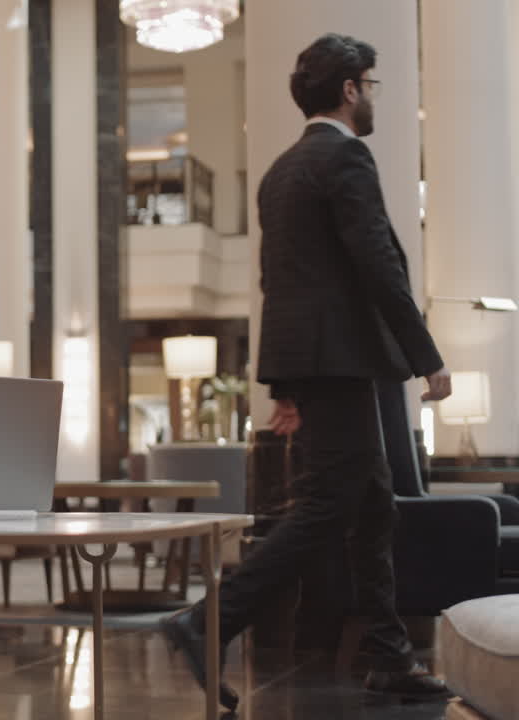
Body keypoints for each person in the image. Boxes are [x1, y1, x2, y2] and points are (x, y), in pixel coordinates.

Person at [161, 33, 452, 710]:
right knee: (328, 504)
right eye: (370, 85)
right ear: (350, 89)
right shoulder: (346, 157)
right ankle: (207, 622)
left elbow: (278, 282)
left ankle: (386, 652)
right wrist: (426, 356)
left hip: (319, 364)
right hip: (345, 361)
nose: (372, 98)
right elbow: (376, 263)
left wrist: (286, 384)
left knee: (371, 501)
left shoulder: (281, 169)